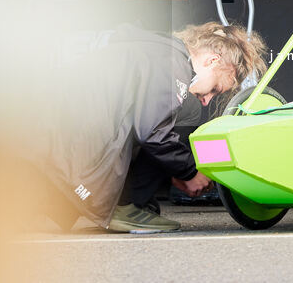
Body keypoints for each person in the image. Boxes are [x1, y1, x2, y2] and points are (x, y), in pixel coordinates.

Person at [24, 22, 267, 233]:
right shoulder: (173, 64)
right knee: (188, 110)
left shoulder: (156, 50)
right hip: (71, 165)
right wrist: (189, 172)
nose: (208, 100)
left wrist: (172, 168)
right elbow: (153, 133)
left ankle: (110, 202)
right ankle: (126, 205)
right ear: (212, 61)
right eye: (214, 89)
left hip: (48, 150)